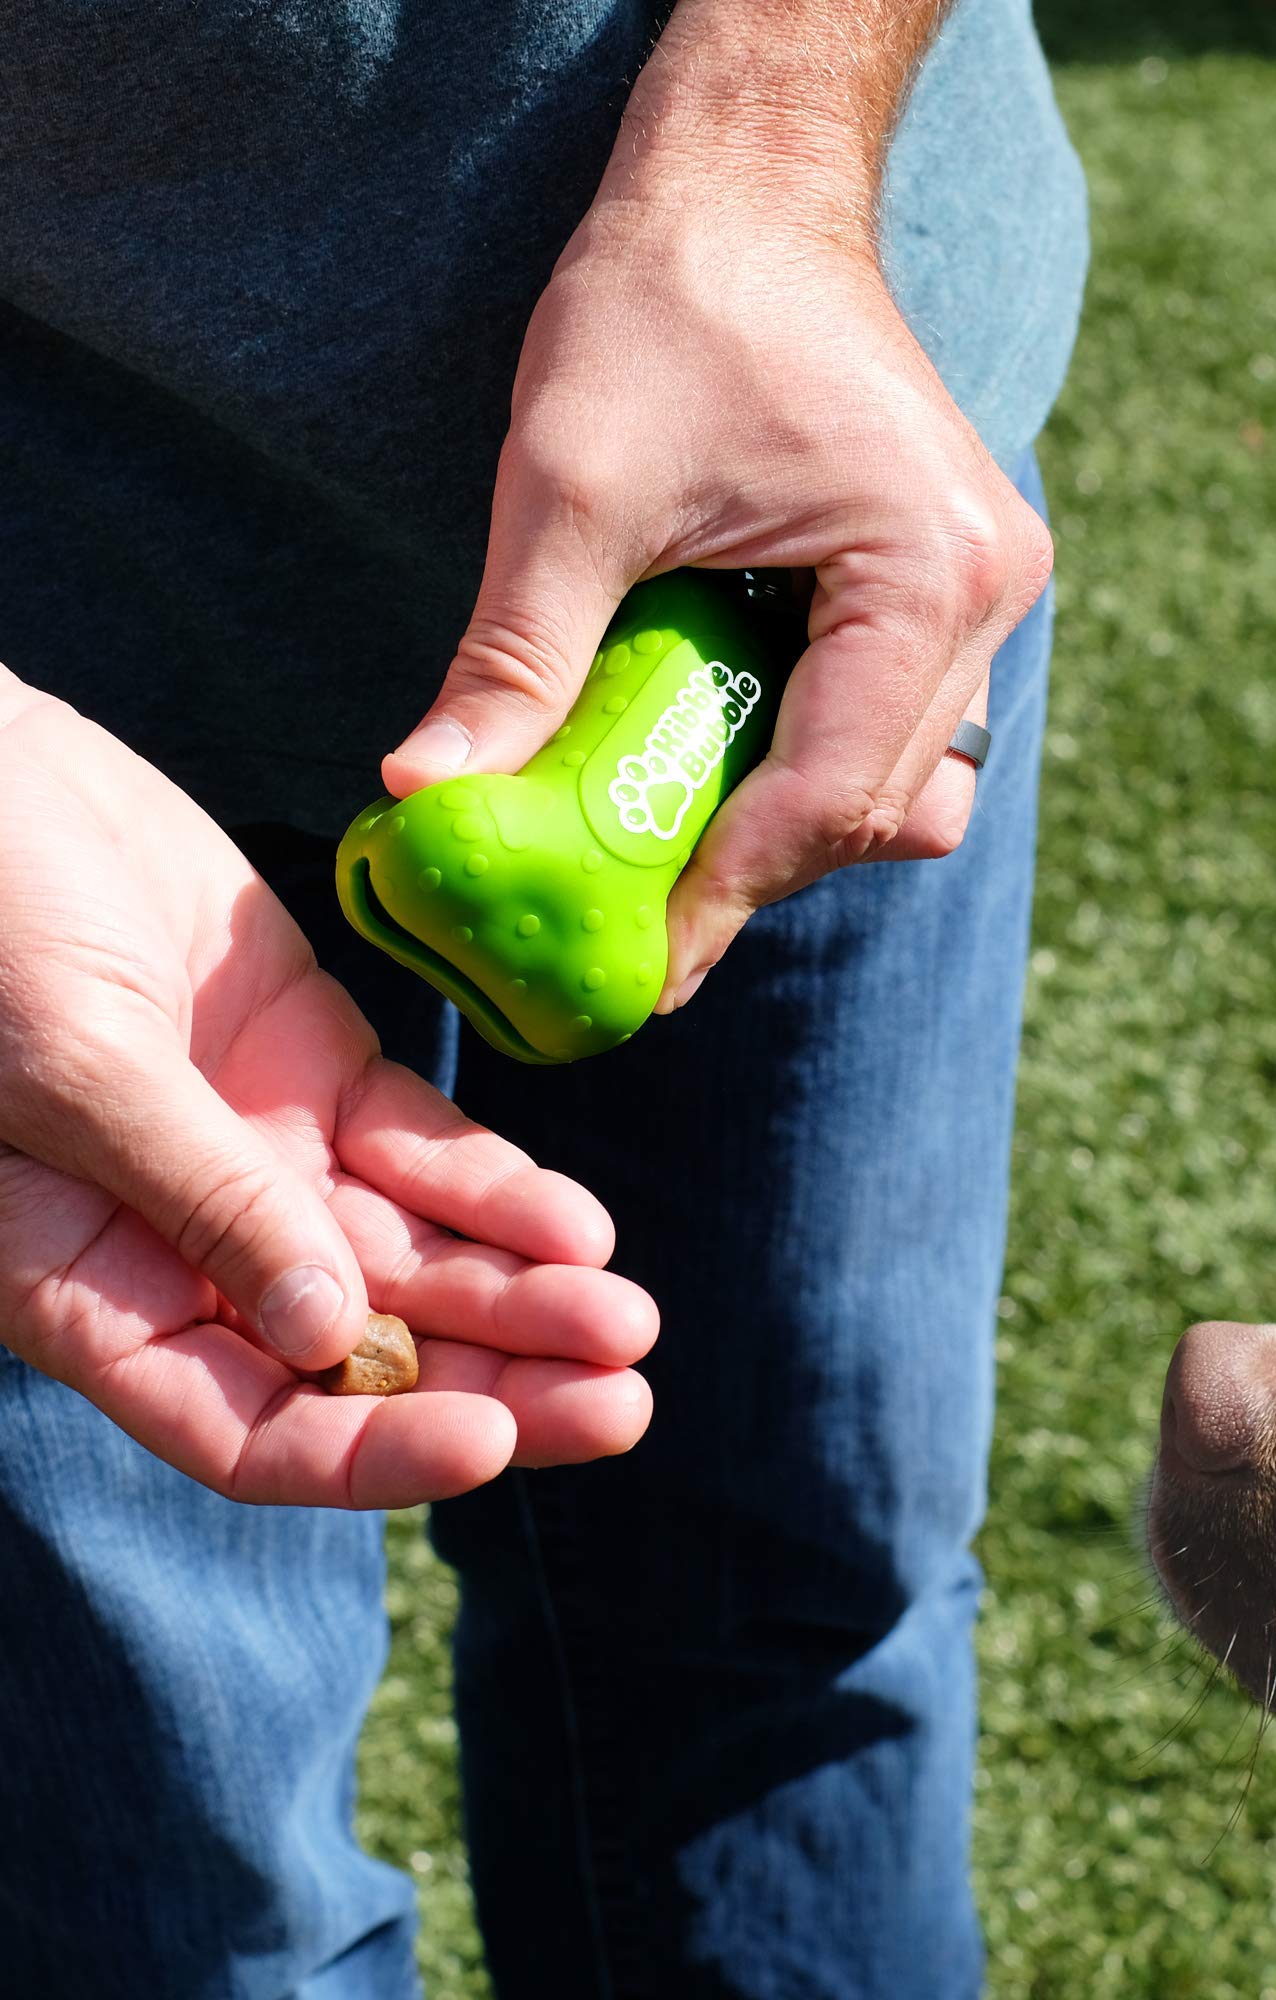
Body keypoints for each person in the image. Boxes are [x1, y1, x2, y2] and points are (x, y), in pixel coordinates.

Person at [0, 0, 1087, 1991]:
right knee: (149, 1855)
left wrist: (771, 147)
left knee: (800, 1614)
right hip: (50, 651)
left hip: (817, 505)